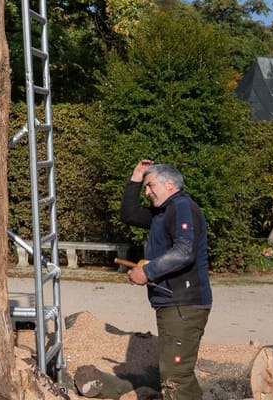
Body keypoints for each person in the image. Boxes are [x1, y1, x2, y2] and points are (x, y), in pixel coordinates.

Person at [119, 160, 212, 400]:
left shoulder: (181, 207)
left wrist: (147, 272)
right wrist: (136, 178)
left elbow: (184, 252)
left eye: (150, 186)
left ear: (169, 184)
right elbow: (129, 214)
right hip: (173, 303)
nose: (147, 192)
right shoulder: (162, 212)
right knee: (173, 372)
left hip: (184, 303)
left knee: (176, 375)